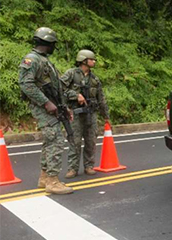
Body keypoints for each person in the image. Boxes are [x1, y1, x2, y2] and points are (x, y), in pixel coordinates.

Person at [18, 27, 74, 194]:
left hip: (52, 106)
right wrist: (46, 103)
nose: (54, 47)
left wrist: (64, 107)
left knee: (50, 141)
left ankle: (44, 178)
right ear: (48, 43)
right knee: (56, 140)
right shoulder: (32, 59)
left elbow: (56, 88)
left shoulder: (44, 60)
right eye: (53, 44)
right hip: (43, 107)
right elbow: (26, 84)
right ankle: (53, 181)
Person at [60, 49, 110, 178]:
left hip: (91, 113)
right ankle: (72, 168)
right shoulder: (71, 74)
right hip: (75, 113)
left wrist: (106, 116)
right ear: (84, 60)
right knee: (74, 141)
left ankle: (89, 166)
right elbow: (60, 88)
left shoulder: (94, 79)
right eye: (92, 59)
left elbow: (101, 98)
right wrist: (75, 95)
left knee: (91, 140)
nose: (94, 61)